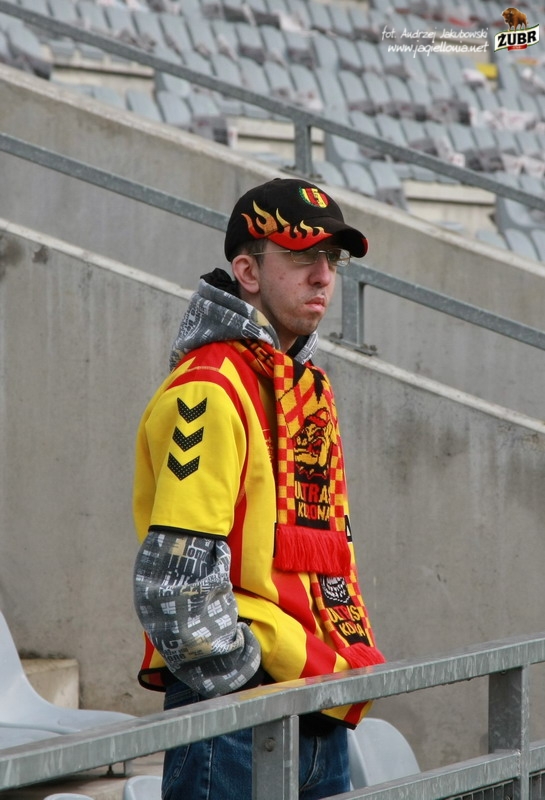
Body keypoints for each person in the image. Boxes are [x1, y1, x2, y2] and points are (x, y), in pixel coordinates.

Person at [132, 177, 385, 800]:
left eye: (332, 259)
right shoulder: (210, 388)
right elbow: (176, 580)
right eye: (301, 257)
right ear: (247, 270)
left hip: (317, 701)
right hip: (242, 713)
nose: (323, 276)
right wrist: (242, 681)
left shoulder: (304, 387)